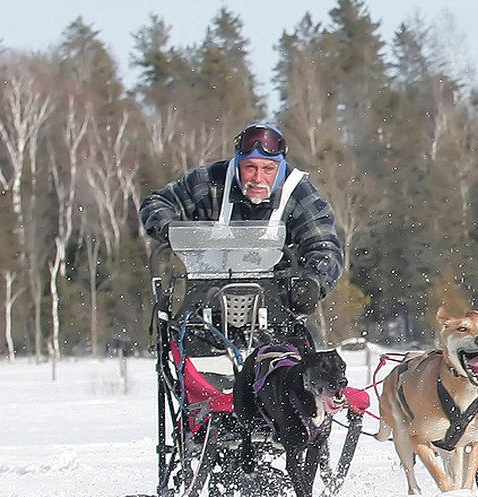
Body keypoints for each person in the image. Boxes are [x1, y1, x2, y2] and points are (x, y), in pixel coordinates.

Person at [139, 122, 343, 336]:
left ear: (280, 168)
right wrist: (172, 229)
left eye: (267, 169)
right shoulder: (210, 182)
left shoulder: (300, 195)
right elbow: (157, 203)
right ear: (237, 165)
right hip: (205, 307)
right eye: (250, 167)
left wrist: (314, 281)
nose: (257, 178)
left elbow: (325, 247)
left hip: (275, 315)